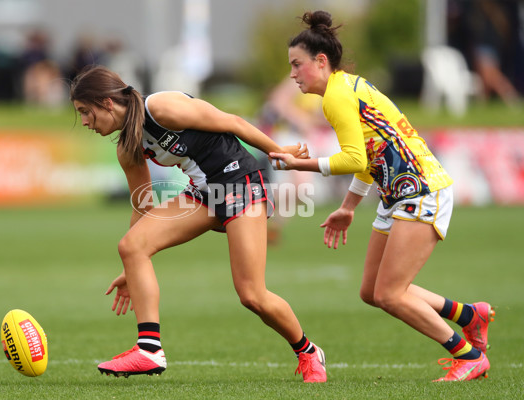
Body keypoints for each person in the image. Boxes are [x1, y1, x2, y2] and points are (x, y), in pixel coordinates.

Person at [269, 11, 494, 382]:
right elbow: (369, 158)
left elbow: (354, 158)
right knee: (373, 291)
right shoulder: (346, 87)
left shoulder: (336, 98)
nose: (293, 74)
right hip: (400, 193)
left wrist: (300, 163)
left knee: (391, 294)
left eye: (297, 65)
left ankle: (468, 356)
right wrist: (347, 207)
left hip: (421, 190)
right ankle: (470, 316)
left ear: (321, 62)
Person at [69, 65, 327, 383]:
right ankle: (149, 351)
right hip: (203, 193)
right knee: (130, 244)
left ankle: (309, 352)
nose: (83, 121)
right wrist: (132, 264)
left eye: (85, 111)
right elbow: (142, 202)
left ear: (108, 103)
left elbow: (231, 122)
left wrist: (278, 152)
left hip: (239, 181)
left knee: (252, 295)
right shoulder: (127, 147)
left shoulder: (161, 108)